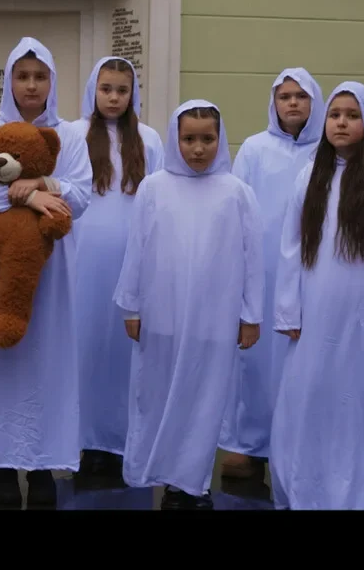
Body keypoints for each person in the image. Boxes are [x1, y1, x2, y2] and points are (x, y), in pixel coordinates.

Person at [0, 37, 92, 507]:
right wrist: (32, 197)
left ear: (52, 82)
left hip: (50, 269)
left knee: (46, 360)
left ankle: (43, 465)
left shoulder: (68, 135)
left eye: (40, 76)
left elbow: (81, 195)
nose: (31, 85)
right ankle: (2, 468)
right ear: (9, 81)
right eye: (22, 76)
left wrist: (44, 183)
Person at [269, 82, 364, 510]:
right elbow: (291, 247)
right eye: (335, 114)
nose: (341, 122)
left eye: (352, 115)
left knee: (359, 412)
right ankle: (303, 492)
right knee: (306, 405)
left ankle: (355, 499)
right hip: (314, 320)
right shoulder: (310, 176)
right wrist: (289, 310)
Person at [113, 99, 264, 510]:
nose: (198, 149)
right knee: (160, 395)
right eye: (189, 139)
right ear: (175, 139)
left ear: (220, 139)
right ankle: (167, 477)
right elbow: (136, 249)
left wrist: (250, 315)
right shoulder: (153, 187)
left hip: (214, 319)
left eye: (207, 139)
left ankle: (194, 483)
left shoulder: (237, 193)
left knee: (205, 399)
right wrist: (132, 307)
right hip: (162, 314)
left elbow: (253, 259)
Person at [218, 68, 325, 481]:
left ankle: (299, 443)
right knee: (255, 362)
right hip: (262, 270)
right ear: (274, 103)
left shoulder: (327, 151)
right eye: (284, 96)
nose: (292, 103)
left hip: (310, 272)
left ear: (314, 102)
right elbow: (236, 209)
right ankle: (250, 444)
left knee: (302, 360)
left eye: (301, 96)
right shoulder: (255, 149)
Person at [68, 56, 163, 483]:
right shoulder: (72, 135)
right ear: (93, 89)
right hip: (82, 259)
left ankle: (126, 441)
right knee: (86, 347)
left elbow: (159, 199)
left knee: (126, 352)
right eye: (106, 89)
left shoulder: (148, 139)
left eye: (122, 90)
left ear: (132, 94)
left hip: (132, 257)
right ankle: (85, 442)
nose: (113, 97)